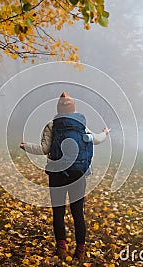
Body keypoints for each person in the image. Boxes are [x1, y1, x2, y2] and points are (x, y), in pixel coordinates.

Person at [20, 92, 110, 261]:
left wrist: (26, 146)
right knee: (78, 213)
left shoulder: (52, 125)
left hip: (56, 175)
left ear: (58, 109)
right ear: (73, 108)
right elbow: (96, 139)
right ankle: (81, 250)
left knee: (58, 213)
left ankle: (61, 248)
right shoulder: (81, 124)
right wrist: (105, 133)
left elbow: (44, 149)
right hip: (78, 174)